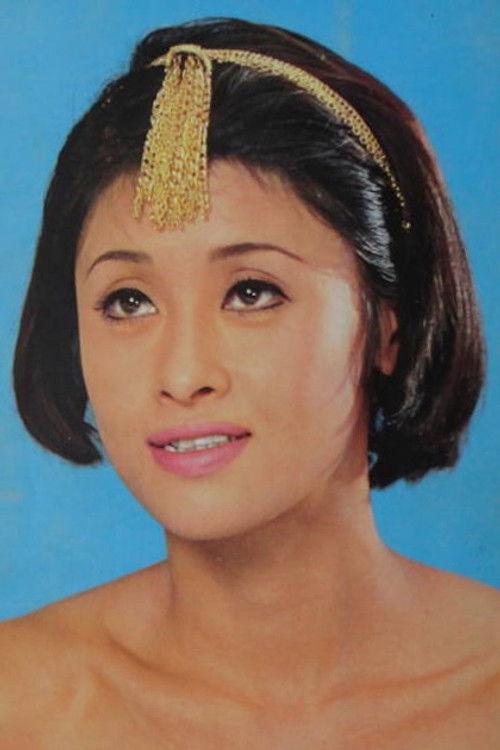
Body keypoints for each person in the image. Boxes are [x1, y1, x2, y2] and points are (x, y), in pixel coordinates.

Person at [1, 16, 498, 748]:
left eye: (251, 291)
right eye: (128, 302)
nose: (182, 375)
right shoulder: (19, 705)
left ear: (388, 328)